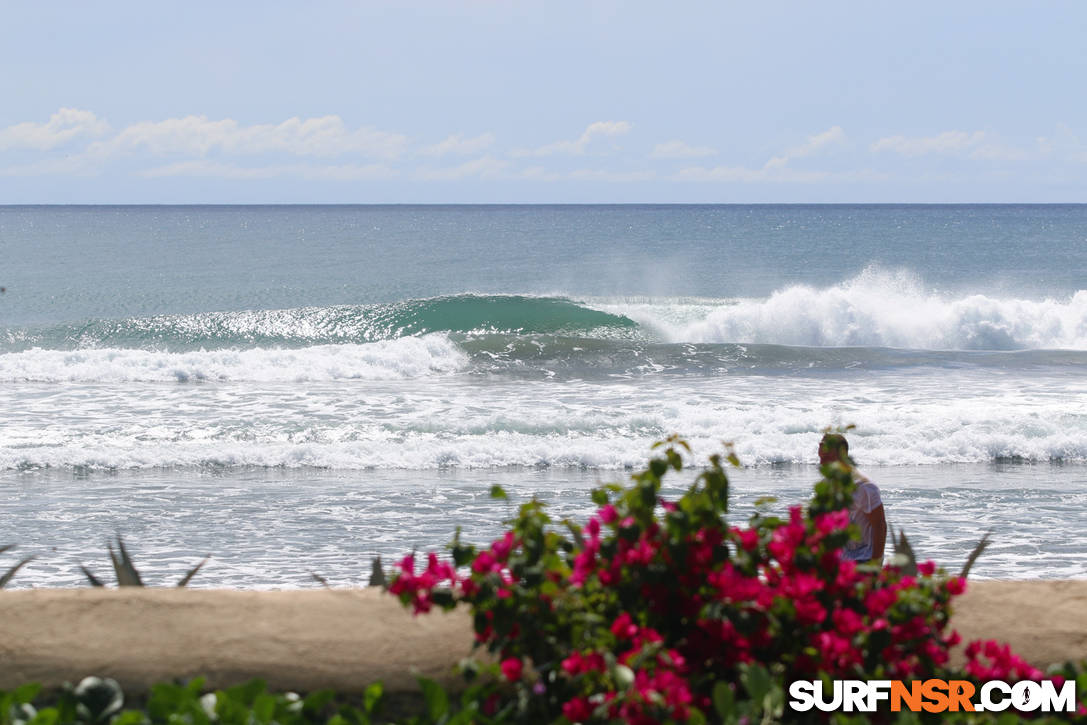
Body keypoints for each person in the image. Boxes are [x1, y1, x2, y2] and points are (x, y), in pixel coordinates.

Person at [818, 433, 886, 565]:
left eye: (827, 457)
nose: (822, 463)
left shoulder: (865, 486)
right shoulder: (826, 484)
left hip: (865, 558)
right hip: (841, 559)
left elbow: (880, 526)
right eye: (820, 457)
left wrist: (875, 564)